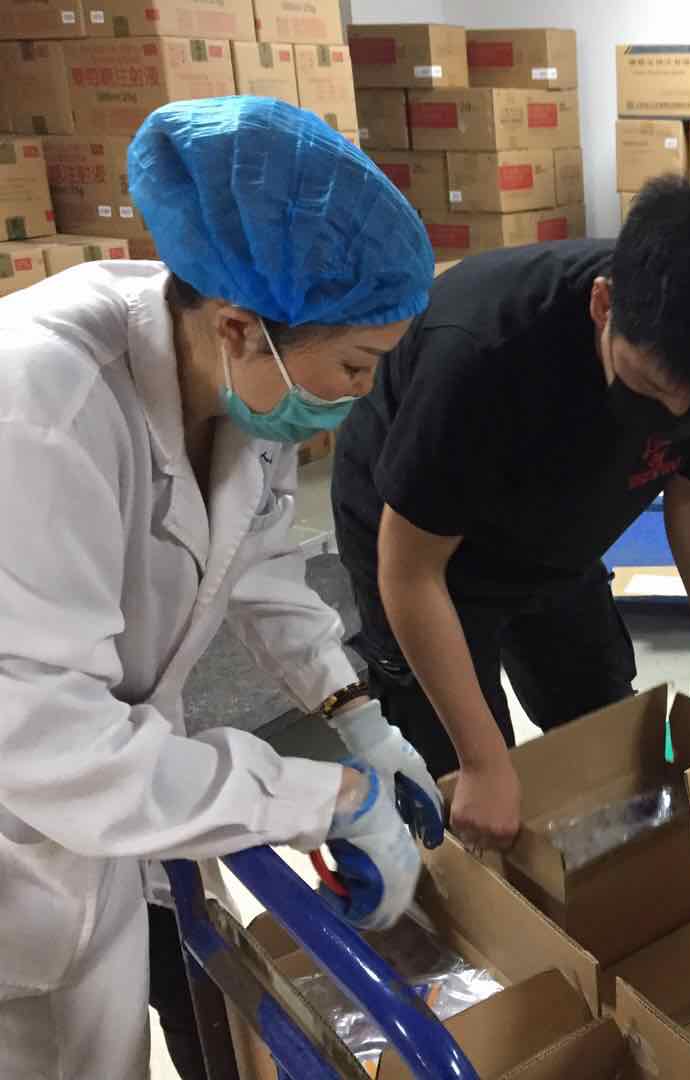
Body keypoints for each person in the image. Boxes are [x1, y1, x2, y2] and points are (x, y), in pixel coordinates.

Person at [0, 97, 445, 1080]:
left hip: (94, 820)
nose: (362, 394)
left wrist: (361, 720)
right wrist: (322, 796)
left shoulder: (231, 372)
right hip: (26, 814)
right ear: (241, 328)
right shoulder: (39, 414)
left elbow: (258, 561)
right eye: (356, 365)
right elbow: (47, 737)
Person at [331, 175, 690, 853]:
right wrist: (484, 761)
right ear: (603, 305)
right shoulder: (483, 352)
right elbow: (410, 574)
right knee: (461, 782)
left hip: (559, 536)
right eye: (649, 387)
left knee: (602, 726)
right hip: (424, 543)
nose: (671, 416)